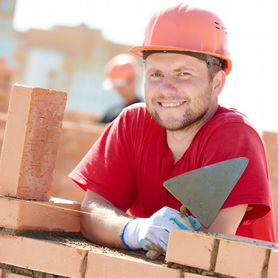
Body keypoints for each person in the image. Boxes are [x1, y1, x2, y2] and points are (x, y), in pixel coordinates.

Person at [69, 4, 276, 255]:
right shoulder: (132, 123)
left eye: (183, 74)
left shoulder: (235, 136)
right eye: (156, 74)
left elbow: (206, 251)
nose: (166, 89)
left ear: (217, 83)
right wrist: (135, 230)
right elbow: (92, 211)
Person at [99, 53, 142, 123]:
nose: (118, 89)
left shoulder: (144, 113)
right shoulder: (111, 112)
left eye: (119, 85)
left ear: (132, 80)